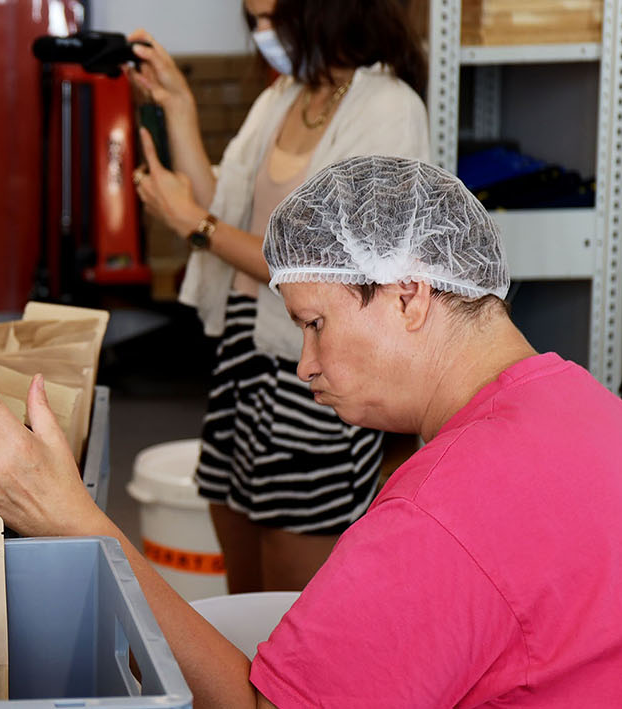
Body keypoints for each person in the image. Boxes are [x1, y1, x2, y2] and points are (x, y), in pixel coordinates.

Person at [0, 156, 622, 706]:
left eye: (315, 324)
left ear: (409, 296)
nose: (304, 364)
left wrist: (77, 520)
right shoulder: (614, 427)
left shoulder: (446, 508)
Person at [127, 0, 430, 592]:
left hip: (315, 364)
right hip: (246, 350)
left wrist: (196, 225)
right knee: (240, 568)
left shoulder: (390, 109)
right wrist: (180, 107)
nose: (264, 34)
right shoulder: (286, 97)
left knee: (292, 594)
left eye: (274, 18)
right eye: (254, 20)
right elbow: (227, 204)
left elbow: (336, 266)